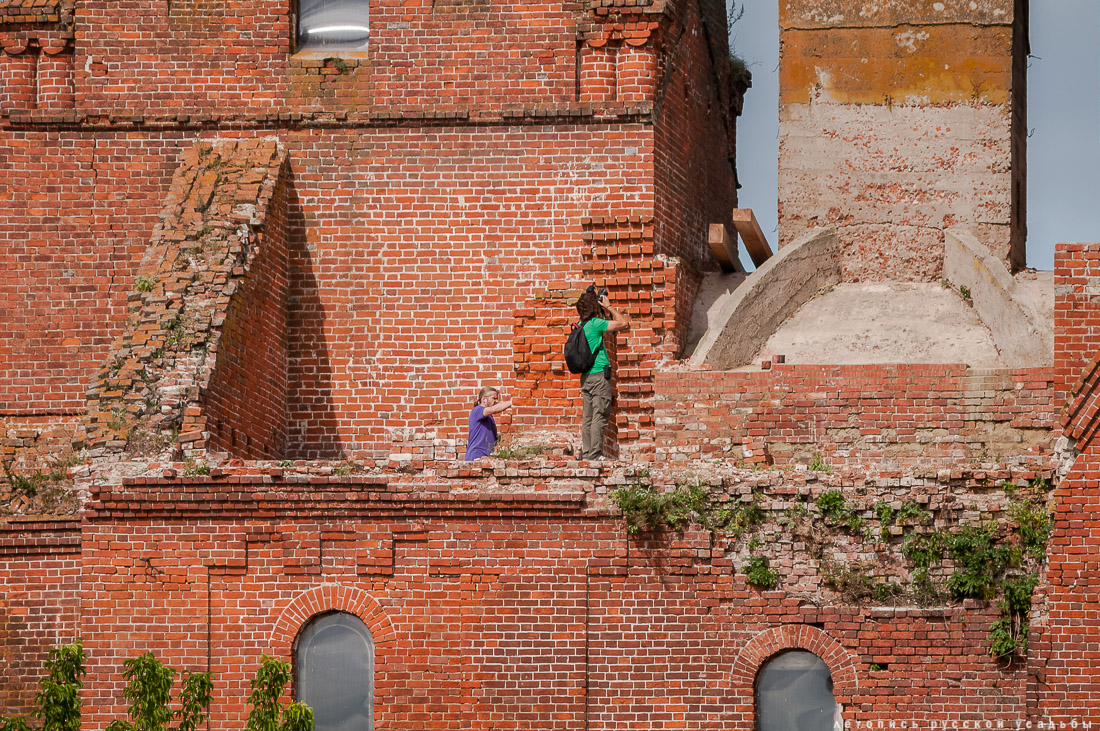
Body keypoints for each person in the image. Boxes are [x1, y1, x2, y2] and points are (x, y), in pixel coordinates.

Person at [574, 288, 630, 460]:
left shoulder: (580, 325)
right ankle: (595, 453)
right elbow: (623, 323)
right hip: (599, 376)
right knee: (600, 413)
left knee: (588, 417)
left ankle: (587, 452)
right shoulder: (595, 324)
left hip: (586, 377)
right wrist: (609, 306)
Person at [464, 386, 512, 460]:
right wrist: (513, 401)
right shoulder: (477, 410)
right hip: (476, 456)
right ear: (484, 399)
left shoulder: (489, 416)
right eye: (494, 398)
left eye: (497, 399)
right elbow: (495, 409)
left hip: (486, 458)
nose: (496, 401)